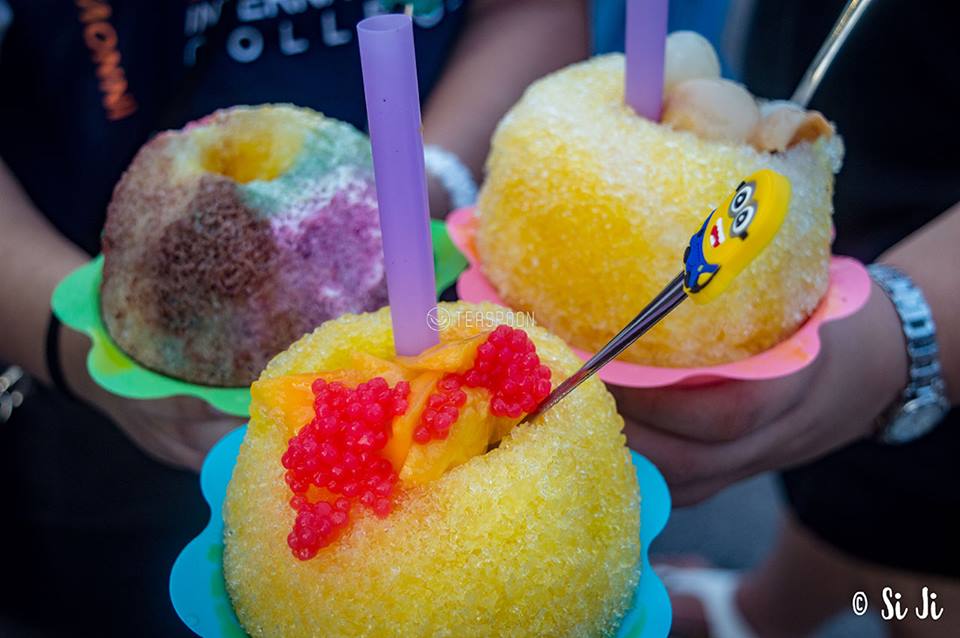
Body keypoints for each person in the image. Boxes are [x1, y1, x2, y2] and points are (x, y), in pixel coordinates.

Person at [0, 1, 588, 635]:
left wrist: (426, 184)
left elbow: (532, 10)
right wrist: (71, 350)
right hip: (87, 396)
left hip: (433, 323)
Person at [612, 0, 960, 635]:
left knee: (925, 569)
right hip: (859, 133)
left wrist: (902, 333)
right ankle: (767, 610)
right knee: (844, 489)